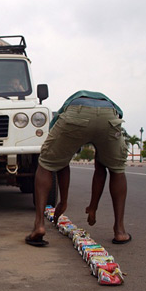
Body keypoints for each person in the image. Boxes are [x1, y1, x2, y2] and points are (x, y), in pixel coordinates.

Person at [25, 90, 132, 246]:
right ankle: (120, 231)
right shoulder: (109, 107)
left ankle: (39, 225)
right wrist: (92, 207)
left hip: (77, 111)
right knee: (117, 169)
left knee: (46, 164)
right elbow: (101, 170)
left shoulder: (58, 119)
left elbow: (61, 164)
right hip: (109, 115)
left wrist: (63, 201)